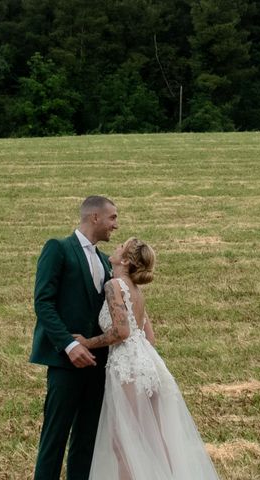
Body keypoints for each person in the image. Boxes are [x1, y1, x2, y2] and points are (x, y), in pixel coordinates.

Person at [74, 237, 219, 479]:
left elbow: (121, 332)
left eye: (121, 246)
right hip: (149, 363)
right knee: (153, 440)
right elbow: (148, 337)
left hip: (128, 365)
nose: (117, 246)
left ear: (125, 260)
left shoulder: (114, 286)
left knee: (124, 444)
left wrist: (86, 342)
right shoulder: (136, 290)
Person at [31, 195, 119, 480]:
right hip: (65, 362)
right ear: (95, 217)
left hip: (97, 364)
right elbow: (43, 302)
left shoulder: (106, 261)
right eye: (113, 218)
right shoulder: (58, 248)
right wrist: (68, 345)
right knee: (54, 439)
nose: (115, 226)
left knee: (86, 441)